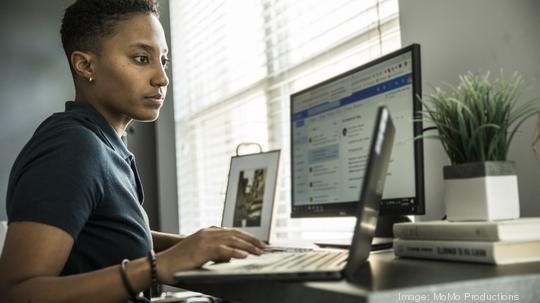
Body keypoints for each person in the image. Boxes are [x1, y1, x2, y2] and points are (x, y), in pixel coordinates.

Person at [0, 1, 265, 302]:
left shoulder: (103, 144)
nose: (162, 78)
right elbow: (15, 293)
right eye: (141, 58)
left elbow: (107, 234)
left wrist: (192, 244)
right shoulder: (72, 146)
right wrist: (156, 267)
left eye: (163, 61)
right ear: (85, 65)